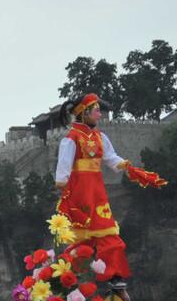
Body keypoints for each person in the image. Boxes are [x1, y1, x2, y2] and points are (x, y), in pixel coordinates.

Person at [55, 93, 166, 287]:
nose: (100, 115)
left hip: (97, 191)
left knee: (106, 233)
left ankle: (111, 273)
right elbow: (63, 171)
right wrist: (66, 196)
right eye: (96, 111)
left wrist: (129, 167)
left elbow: (111, 159)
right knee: (86, 238)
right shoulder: (72, 138)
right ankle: (67, 278)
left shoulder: (100, 137)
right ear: (84, 112)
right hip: (80, 192)